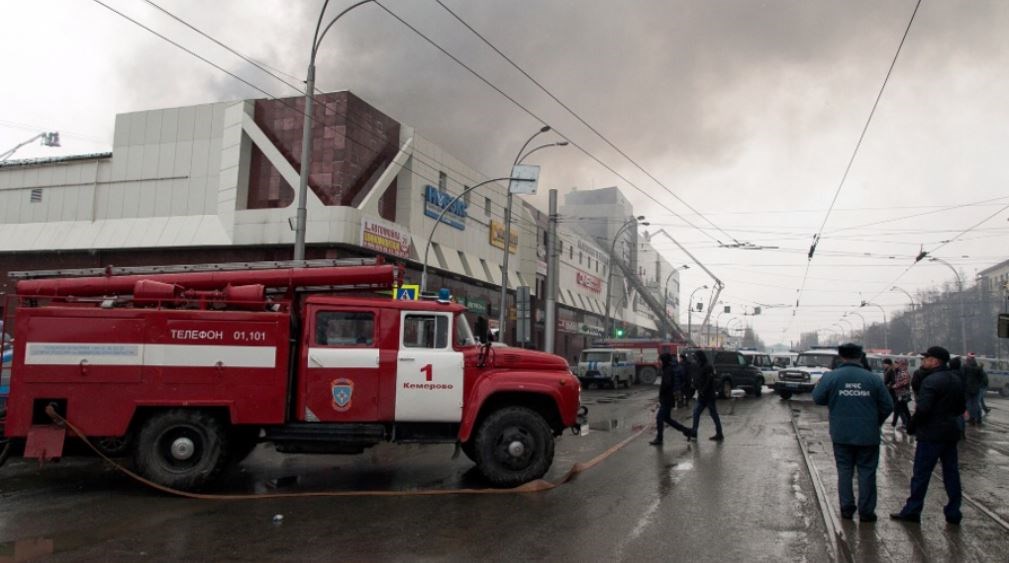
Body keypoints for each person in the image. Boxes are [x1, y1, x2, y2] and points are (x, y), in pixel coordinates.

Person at [812, 343, 893, 522]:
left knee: (844, 470)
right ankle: (866, 512)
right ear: (860, 356)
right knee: (867, 471)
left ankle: (847, 508)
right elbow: (888, 405)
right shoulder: (873, 379)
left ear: (840, 357)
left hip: (841, 433)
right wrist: (875, 422)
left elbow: (817, 398)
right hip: (868, 434)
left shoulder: (831, 377)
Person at [891, 346, 966, 525]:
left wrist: (912, 425)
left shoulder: (931, 381)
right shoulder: (956, 379)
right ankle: (954, 512)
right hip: (950, 433)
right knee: (951, 473)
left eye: (926, 358)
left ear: (935, 361)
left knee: (921, 474)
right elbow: (961, 408)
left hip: (931, 434)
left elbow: (923, 408)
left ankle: (912, 510)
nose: (923, 361)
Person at [649, 353, 695, 445]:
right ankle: (686, 431)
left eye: (660, 360)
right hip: (668, 398)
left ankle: (659, 439)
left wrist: (662, 394)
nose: (659, 362)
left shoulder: (668, 370)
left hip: (667, 398)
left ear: (664, 361)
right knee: (667, 419)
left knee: (659, 418)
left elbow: (667, 383)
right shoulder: (667, 368)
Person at [689, 350, 724, 442]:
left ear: (700, 357)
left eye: (696, 357)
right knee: (696, 413)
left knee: (714, 415)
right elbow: (700, 379)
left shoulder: (708, 366)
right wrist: (695, 385)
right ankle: (694, 433)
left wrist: (703, 390)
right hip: (702, 396)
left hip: (708, 396)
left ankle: (719, 433)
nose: (695, 359)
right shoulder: (700, 366)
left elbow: (709, 381)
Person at [962, 354, 988, 426]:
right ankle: (978, 418)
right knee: (976, 404)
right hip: (976, 389)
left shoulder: (965, 367)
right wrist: (979, 385)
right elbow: (982, 378)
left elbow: (962, 377)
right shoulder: (978, 368)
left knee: (969, 404)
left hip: (967, 388)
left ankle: (971, 418)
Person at [891, 359, 912, 429]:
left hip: (902, 393)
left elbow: (905, 382)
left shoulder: (904, 372)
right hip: (900, 393)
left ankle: (894, 424)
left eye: (901, 364)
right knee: (904, 409)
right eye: (900, 364)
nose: (899, 365)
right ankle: (909, 423)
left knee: (897, 408)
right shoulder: (900, 372)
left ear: (905, 365)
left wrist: (895, 386)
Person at [882, 359, 898, 424]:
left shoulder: (891, 370)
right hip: (890, 390)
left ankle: (904, 421)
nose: (883, 365)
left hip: (892, 390)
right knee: (898, 407)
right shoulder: (887, 370)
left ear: (888, 364)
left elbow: (893, 380)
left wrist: (888, 386)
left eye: (884, 364)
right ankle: (895, 421)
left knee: (896, 406)